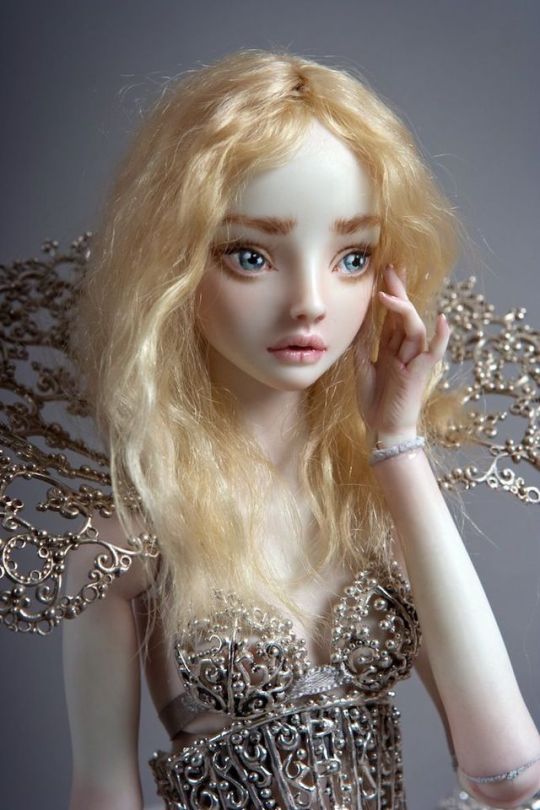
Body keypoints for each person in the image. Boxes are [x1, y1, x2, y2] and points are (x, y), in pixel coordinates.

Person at [56, 50, 540, 809]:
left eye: (353, 256)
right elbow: (101, 791)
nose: (311, 301)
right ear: (172, 267)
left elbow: (509, 775)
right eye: (251, 255)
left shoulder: (372, 511)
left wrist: (397, 444)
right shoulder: (125, 543)